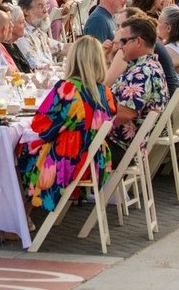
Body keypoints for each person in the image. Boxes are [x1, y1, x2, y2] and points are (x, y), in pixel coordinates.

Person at [16, 35, 116, 225]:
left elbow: (40, 123)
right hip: (95, 161)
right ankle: (24, 216)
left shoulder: (67, 88)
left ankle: (20, 218)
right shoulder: (104, 92)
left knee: (20, 152)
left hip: (68, 161)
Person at [104, 16, 169, 161]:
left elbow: (125, 113)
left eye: (124, 41)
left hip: (119, 146)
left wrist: (91, 124)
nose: (120, 46)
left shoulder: (142, 73)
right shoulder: (150, 66)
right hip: (127, 145)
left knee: (62, 147)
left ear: (138, 41)